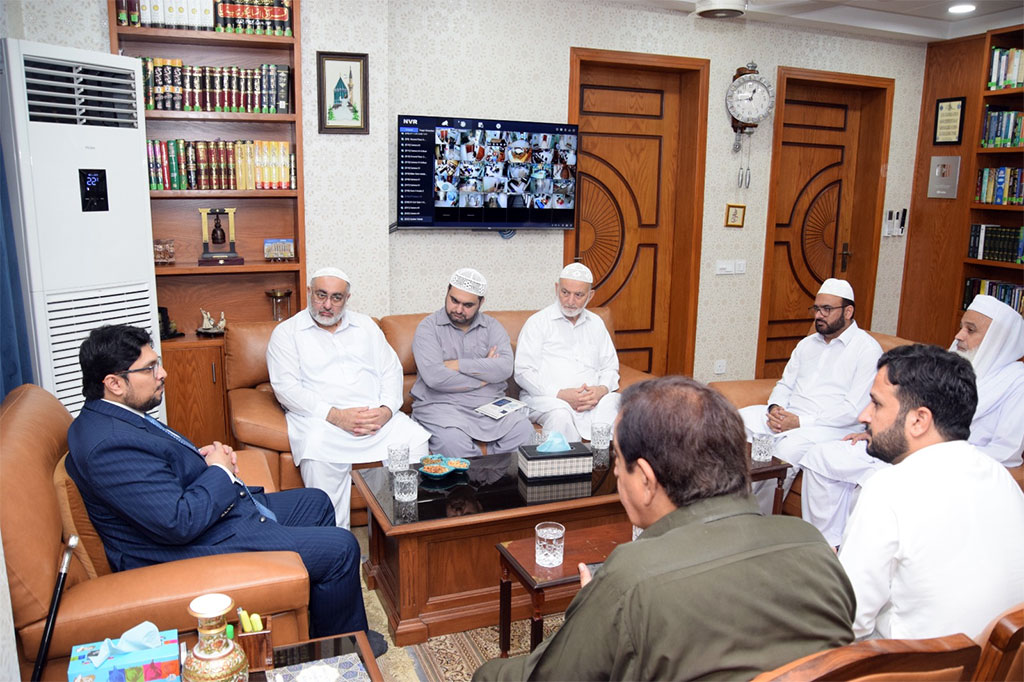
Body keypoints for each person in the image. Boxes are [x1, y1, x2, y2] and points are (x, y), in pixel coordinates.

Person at [473, 376, 855, 682]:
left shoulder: (632, 578)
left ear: (645, 479)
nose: (616, 472)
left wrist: (593, 608)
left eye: (618, 461)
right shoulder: (815, 546)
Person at [66, 324, 381, 648]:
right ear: (114, 383)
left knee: (315, 501)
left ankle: (321, 628)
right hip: (189, 547)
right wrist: (218, 471)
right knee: (341, 548)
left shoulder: (115, 416)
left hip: (206, 518)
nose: (163, 373)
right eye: (150, 368)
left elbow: (157, 477)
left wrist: (210, 463)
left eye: (157, 362)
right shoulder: (108, 444)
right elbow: (177, 522)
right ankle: (343, 649)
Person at [800, 295, 1024, 546]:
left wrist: (931, 451)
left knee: (877, 484)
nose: (959, 336)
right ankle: (824, 544)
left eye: (970, 330)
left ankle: (852, 553)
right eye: (961, 326)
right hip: (907, 441)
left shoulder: (1017, 382)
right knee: (821, 456)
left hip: (947, 461)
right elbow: (911, 409)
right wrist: (879, 430)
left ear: (998, 339)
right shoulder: (952, 365)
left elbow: (1007, 451)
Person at [840, 344, 1024, 640]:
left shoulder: (888, 489)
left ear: (918, 420)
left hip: (914, 666)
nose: (864, 416)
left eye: (876, 404)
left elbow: (848, 620)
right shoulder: (1001, 477)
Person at [267, 267, 429, 529]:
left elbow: (392, 371)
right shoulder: (287, 333)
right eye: (321, 295)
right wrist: (336, 416)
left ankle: (403, 530)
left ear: (347, 298)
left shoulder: (365, 326)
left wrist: (386, 410)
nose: (327, 305)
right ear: (309, 292)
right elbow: (286, 388)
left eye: (336, 297)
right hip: (323, 423)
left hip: (376, 419)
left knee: (415, 438)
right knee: (316, 449)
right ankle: (336, 542)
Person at [738, 278, 882, 513]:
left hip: (829, 428)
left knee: (784, 452)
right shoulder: (807, 344)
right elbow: (785, 384)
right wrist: (775, 409)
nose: (818, 315)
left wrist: (799, 422)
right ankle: (725, 505)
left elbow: (853, 409)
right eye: (816, 308)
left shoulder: (867, 350)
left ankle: (757, 520)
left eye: (827, 309)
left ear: (848, 311)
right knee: (736, 421)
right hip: (790, 417)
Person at [411, 268, 534, 459]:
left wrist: (458, 364)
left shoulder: (492, 326)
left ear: (481, 302)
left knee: (524, 430)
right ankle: (480, 481)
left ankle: (493, 479)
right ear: (447, 292)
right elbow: (435, 378)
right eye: (454, 301)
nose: (459, 309)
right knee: (453, 442)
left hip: (488, 406)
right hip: (443, 407)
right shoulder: (428, 328)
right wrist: (483, 376)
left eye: (468, 305)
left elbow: (504, 368)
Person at [514, 263, 620, 442]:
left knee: (620, 403)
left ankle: (603, 466)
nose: (570, 301)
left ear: (590, 295)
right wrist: (561, 394)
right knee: (560, 414)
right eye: (565, 292)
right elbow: (523, 373)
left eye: (578, 295)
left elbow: (610, 367)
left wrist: (601, 390)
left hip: (592, 402)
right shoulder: (538, 323)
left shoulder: (596, 323)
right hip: (549, 399)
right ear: (557, 288)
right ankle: (567, 469)